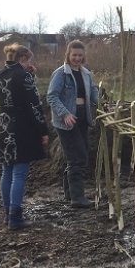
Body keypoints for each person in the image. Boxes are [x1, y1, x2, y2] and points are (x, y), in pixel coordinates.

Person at [0, 44, 49, 230]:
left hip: (4, 126)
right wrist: (43, 131)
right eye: (29, 60)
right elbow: (33, 105)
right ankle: (15, 217)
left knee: (6, 171)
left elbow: (12, 96)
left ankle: (7, 213)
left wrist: (29, 75)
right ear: (22, 58)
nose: (31, 63)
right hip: (22, 127)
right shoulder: (23, 76)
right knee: (19, 172)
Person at [47, 40, 99, 208]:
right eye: (74, 55)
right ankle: (77, 197)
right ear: (68, 55)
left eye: (80, 55)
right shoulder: (61, 73)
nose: (77, 58)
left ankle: (69, 193)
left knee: (78, 157)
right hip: (66, 121)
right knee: (78, 157)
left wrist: (101, 102)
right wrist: (65, 113)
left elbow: (92, 91)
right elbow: (52, 96)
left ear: (84, 57)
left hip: (83, 118)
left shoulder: (85, 73)